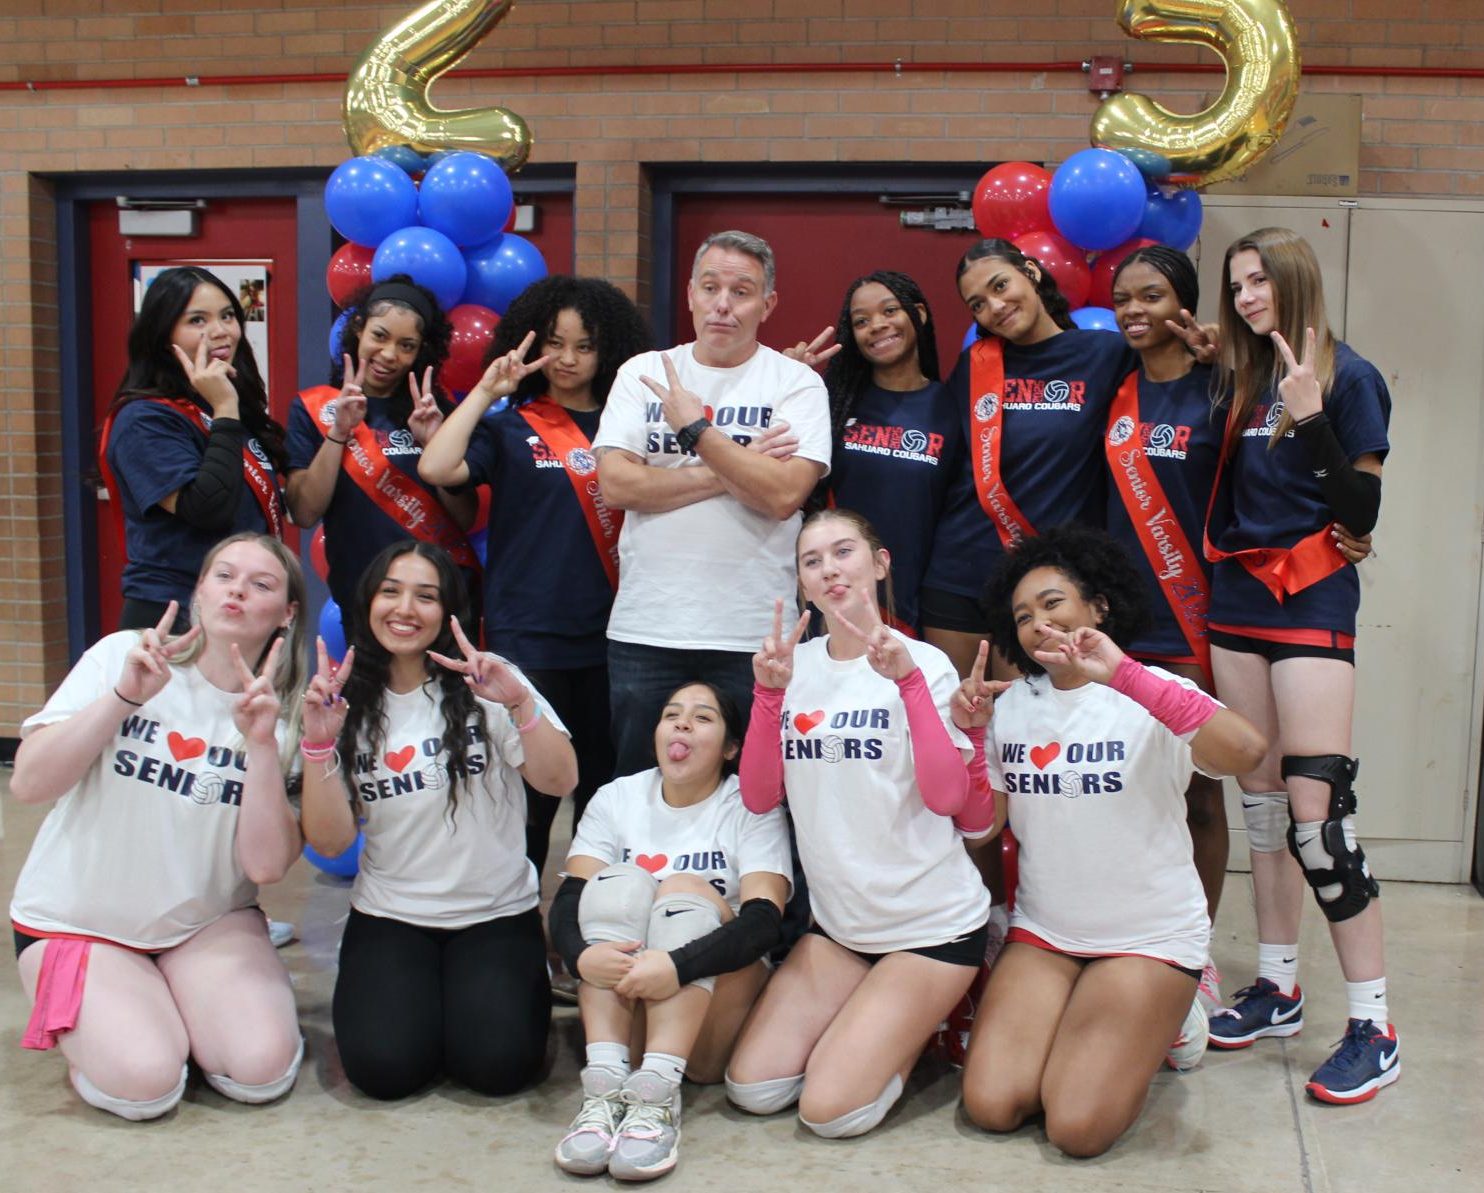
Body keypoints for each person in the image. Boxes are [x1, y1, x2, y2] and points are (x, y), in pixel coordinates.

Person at [961, 525, 1266, 1157]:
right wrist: (967, 737)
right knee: (992, 1105)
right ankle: (1099, 1015)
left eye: (1053, 603)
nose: (1038, 623)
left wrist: (1125, 675)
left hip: (1148, 938)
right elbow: (982, 827)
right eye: (1023, 616)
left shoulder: (1152, 690)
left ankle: (1176, 1017)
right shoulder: (1011, 706)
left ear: (1098, 607)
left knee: (1076, 1127)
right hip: (1046, 933)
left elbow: (1246, 752)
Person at [10, 533, 307, 1120]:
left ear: (287, 613)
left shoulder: (287, 709)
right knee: (145, 1086)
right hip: (77, 924)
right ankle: (127, 1028)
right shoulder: (125, 655)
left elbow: (266, 867)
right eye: (224, 576)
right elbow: (28, 784)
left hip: (204, 924)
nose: (238, 591)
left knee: (259, 1073)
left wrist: (262, 746)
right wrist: (123, 697)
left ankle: (171, 1006)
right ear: (199, 590)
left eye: (262, 584)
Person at [1202, 228, 1398, 1104]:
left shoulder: (1350, 376)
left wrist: (1313, 412)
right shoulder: (1239, 381)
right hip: (1238, 602)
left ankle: (1374, 1022)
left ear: (1293, 281)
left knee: (1321, 821)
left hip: (1312, 597)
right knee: (1263, 805)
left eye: (1259, 282)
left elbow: (1363, 507)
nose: (1247, 297)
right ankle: (1278, 985)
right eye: (1236, 285)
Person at [724, 508, 994, 1139]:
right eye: (811, 561)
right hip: (841, 928)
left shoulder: (924, 662)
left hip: (931, 927)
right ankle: (868, 1017)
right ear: (801, 583)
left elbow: (950, 798)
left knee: (830, 1111)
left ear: (879, 563)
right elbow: (761, 798)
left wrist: (906, 685)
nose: (829, 570)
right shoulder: (794, 666)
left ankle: (905, 1038)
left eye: (843, 553)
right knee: (753, 1088)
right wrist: (767, 697)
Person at [298, 541, 577, 1101]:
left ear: (449, 612)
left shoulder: (490, 681)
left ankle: (483, 994)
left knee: (498, 1069)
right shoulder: (341, 701)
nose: (405, 609)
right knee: (383, 1072)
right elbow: (329, 841)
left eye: (425, 596)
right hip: (391, 915)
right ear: (367, 603)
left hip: (495, 913)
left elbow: (560, 780)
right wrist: (318, 746)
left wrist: (518, 705)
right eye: (391, 592)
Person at [418, 275, 652, 882]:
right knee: (528, 799)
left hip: (618, 634)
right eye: (555, 343)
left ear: (610, 351)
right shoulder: (509, 425)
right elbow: (436, 465)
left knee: (604, 794)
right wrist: (487, 391)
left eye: (585, 345)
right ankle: (517, 931)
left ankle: (586, 922)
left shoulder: (631, 427)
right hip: (529, 633)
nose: (568, 360)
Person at [593, 230, 832, 776]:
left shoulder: (795, 384)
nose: (723, 304)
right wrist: (739, 461)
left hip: (752, 633)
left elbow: (782, 495)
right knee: (640, 786)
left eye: (742, 291)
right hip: (646, 627)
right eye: (711, 287)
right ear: (691, 296)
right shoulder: (643, 373)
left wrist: (696, 432)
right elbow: (618, 486)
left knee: (755, 795)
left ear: (767, 304)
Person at [546, 681, 792, 1180]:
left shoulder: (749, 803)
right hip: (630, 998)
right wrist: (579, 958)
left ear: (730, 748)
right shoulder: (618, 797)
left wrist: (677, 966)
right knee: (616, 883)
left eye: (703, 718)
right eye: (671, 714)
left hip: (714, 998)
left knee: (682, 888)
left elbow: (765, 920)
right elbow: (570, 899)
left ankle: (657, 1095)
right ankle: (606, 1087)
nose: (682, 723)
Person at [921, 238, 1135, 679]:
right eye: (977, 304)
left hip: (1042, 585)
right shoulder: (975, 365)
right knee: (952, 727)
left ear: (1032, 273)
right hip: (959, 568)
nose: (995, 307)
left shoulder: (1106, 355)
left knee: (1030, 733)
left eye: (1001, 286)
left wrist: (1207, 345)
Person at [101, 267, 288, 631]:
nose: (220, 331)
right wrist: (226, 411)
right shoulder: (143, 419)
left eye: (228, 315)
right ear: (162, 336)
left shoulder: (219, 407)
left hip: (239, 609)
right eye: (197, 320)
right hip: (174, 613)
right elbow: (207, 508)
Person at [285, 275, 476, 623]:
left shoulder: (437, 413)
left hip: (437, 597)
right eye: (379, 336)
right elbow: (304, 512)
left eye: (407, 345)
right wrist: (339, 432)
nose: (389, 355)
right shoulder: (315, 408)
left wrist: (432, 443)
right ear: (359, 328)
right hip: (360, 593)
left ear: (420, 351)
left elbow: (464, 518)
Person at [815, 270, 962, 634]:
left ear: (919, 315)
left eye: (889, 311)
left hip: (915, 601)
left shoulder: (952, 405)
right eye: (861, 321)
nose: (877, 326)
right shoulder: (833, 402)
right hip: (836, 595)